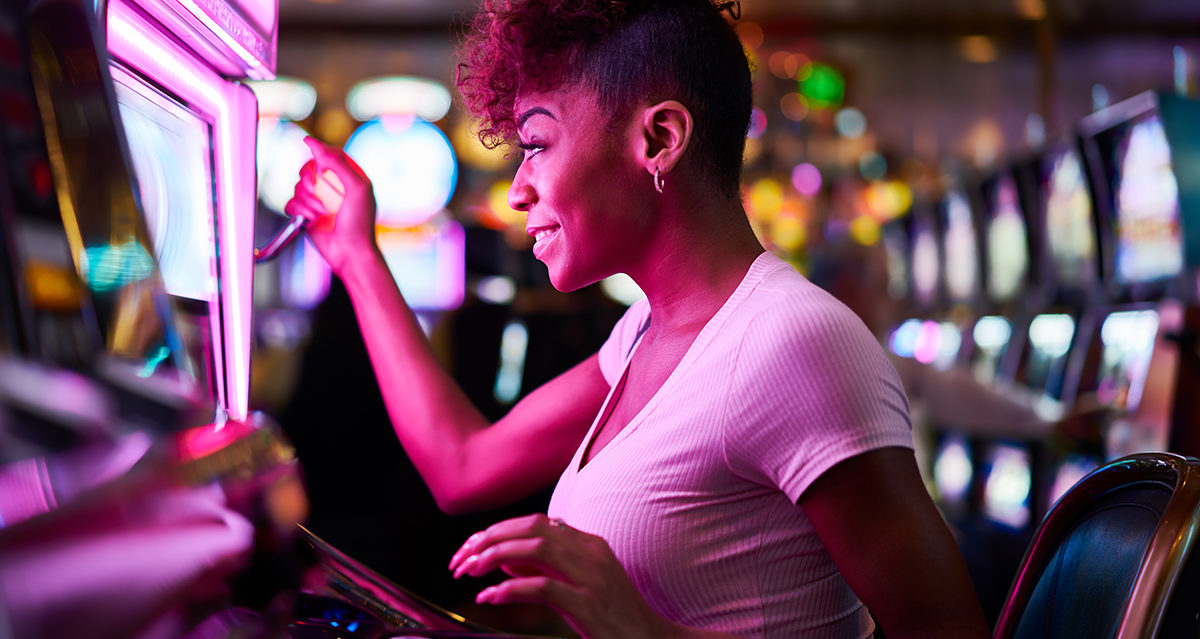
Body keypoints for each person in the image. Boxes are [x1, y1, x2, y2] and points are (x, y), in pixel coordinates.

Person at [284, 0, 992, 636]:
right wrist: (355, 252)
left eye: (536, 144)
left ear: (658, 139)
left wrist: (645, 632)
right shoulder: (644, 334)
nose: (519, 188)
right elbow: (463, 465)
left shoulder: (790, 340)